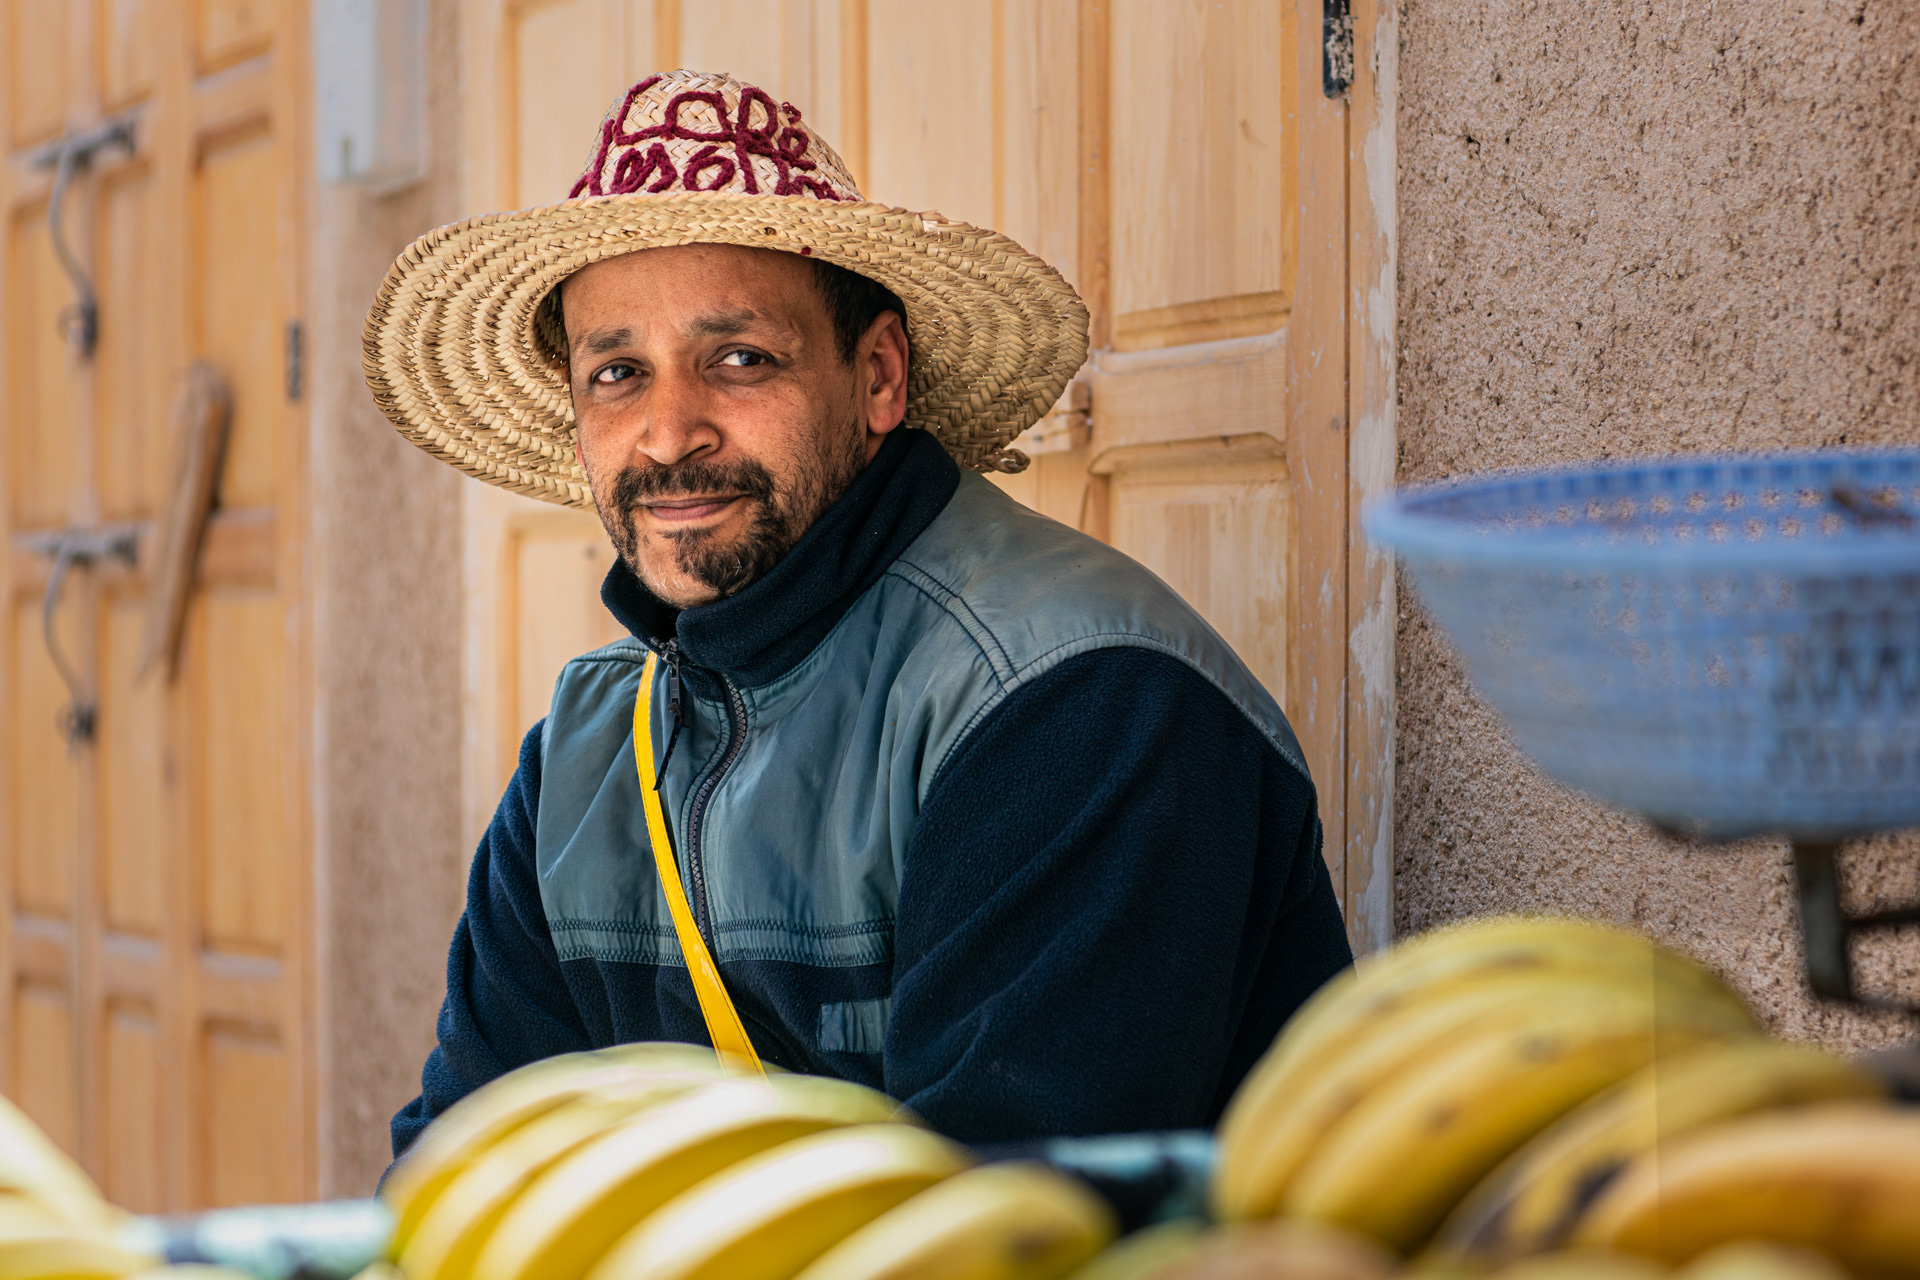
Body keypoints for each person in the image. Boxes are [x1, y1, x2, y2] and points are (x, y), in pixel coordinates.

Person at [365, 70, 1352, 1159]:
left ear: (878, 374)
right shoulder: (586, 759)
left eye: (738, 359)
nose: (666, 432)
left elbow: (1004, 1224)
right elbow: (458, 1168)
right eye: (618, 372)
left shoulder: (1079, 700)